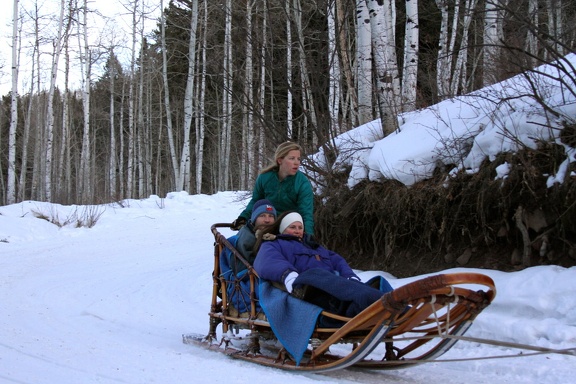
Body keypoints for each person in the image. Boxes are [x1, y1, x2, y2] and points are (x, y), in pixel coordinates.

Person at [253, 211, 393, 326]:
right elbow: (267, 261)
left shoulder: (315, 247)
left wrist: (349, 275)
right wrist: (288, 275)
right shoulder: (274, 244)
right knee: (319, 275)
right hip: (306, 286)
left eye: (300, 227)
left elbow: (337, 260)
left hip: (333, 285)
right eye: (292, 227)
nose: (297, 231)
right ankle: (385, 305)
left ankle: (386, 307)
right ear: (283, 229)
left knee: (371, 285)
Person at [232, 141, 315, 235]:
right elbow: (256, 201)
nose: (296, 163)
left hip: (288, 226)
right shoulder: (265, 177)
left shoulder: (302, 182)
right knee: (245, 236)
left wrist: (308, 235)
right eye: (292, 158)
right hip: (268, 221)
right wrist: (243, 217)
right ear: (280, 160)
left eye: (298, 159)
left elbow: (306, 212)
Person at [232, 199, 277, 274]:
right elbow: (246, 265)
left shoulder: (274, 234)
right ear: (254, 219)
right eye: (262, 216)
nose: (267, 220)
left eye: (271, 216)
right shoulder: (247, 237)